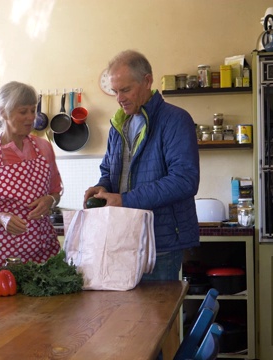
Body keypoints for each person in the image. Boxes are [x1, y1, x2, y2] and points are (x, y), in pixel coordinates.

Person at [84, 50, 200, 281]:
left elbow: (185, 181)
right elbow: (108, 170)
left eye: (126, 90)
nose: (119, 98)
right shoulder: (119, 124)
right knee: (125, 316)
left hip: (161, 243)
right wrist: (102, 188)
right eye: (115, 91)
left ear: (147, 81)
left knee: (156, 316)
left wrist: (125, 200)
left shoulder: (175, 120)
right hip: (123, 239)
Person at [0, 81, 62, 267]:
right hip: (8, 254)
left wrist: (49, 201)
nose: (30, 118)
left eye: (32, 110)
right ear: (3, 112)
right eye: (23, 111)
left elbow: (56, 191)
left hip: (45, 248)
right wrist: (2, 218)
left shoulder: (44, 148)